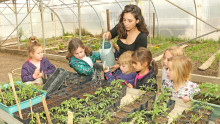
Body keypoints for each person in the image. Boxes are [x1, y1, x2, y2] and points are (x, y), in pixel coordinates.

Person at [103, 4, 149, 71]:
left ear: (137, 20)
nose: (126, 24)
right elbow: (111, 34)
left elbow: (139, 59)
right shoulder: (121, 27)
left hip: (131, 67)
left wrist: (120, 65)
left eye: (130, 21)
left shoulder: (141, 36)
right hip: (119, 60)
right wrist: (107, 35)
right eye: (124, 20)